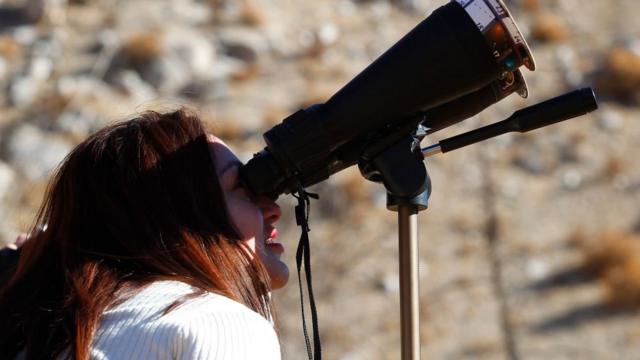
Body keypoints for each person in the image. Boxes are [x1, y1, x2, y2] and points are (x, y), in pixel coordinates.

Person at [0, 108, 289, 359]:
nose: (273, 209)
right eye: (242, 188)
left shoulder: (43, 333)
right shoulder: (216, 323)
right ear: (177, 219)